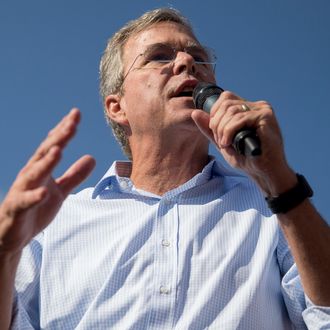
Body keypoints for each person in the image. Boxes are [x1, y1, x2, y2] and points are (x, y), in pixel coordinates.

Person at [0, 7, 329, 330]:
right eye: (159, 57)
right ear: (118, 106)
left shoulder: (276, 211)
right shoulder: (55, 224)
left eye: (198, 57)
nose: (187, 63)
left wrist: (280, 182)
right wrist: (5, 250)